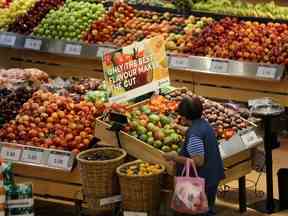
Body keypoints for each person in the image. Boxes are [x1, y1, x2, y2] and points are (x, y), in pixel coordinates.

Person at [163, 96, 225, 216]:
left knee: (199, 210)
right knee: (208, 207)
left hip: (202, 180)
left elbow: (198, 161)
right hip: (213, 174)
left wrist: (174, 157)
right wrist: (178, 127)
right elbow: (195, 131)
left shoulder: (194, 136)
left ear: (185, 117)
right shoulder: (204, 124)